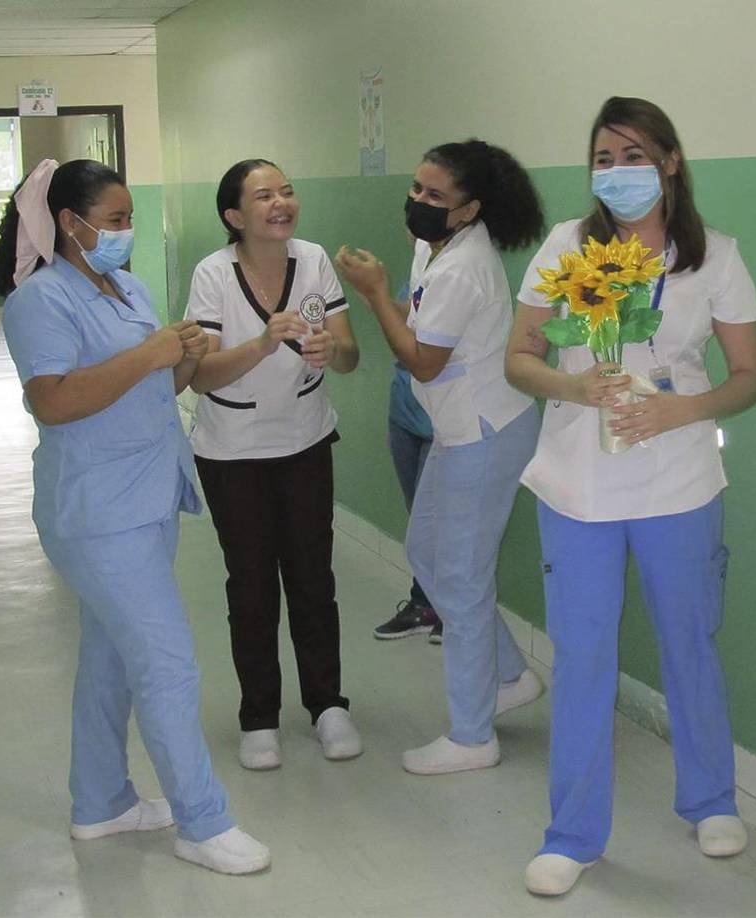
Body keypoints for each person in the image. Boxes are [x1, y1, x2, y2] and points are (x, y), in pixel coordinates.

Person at [505, 97, 756, 897]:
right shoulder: (566, 245)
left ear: (670, 162)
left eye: (634, 156)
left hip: (679, 480)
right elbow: (520, 357)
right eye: (604, 158)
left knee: (689, 640)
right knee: (583, 655)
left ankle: (711, 800)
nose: (617, 172)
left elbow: (749, 378)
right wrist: (574, 387)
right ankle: (573, 835)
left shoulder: (715, 257)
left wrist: (683, 409)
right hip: (577, 483)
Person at [0, 159, 270, 875]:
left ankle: (101, 802)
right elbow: (53, 401)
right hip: (97, 512)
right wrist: (150, 352)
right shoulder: (40, 301)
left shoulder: (129, 288)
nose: (126, 232)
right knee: (167, 662)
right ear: (69, 224)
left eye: (129, 218)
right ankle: (203, 822)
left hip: (149, 496)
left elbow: (155, 386)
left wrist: (184, 357)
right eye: (114, 221)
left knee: (110, 660)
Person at [335, 139, 546, 776]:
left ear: (469, 209)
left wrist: (374, 295)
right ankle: (509, 677)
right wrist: (386, 297)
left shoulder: (464, 266)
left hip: (484, 433)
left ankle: (473, 735)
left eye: (435, 195)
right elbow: (425, 321)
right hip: (459, 430)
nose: (418, 201)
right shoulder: (436, 246)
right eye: (416, 187)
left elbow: (422, 359)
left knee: (460, 575)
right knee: (429, 554)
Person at [185, 159, 362, 772]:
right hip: (233, 451)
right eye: (264, 196)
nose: (281, 203)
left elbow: (350, 356)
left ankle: (328, 705)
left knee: (314, 579)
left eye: (287, 191)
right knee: (252, 585)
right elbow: (201, 376)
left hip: (305, 440)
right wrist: (263, 342)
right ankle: (259, 717)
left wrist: (333, 348)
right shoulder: (213, 274)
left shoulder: (313, 260)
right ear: (235, 216)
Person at [373, 342, 441, 643]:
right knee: (418, 519)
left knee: (437, 522)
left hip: (444, 417)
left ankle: (449, 610)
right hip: (404, 410)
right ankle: (424, 605)